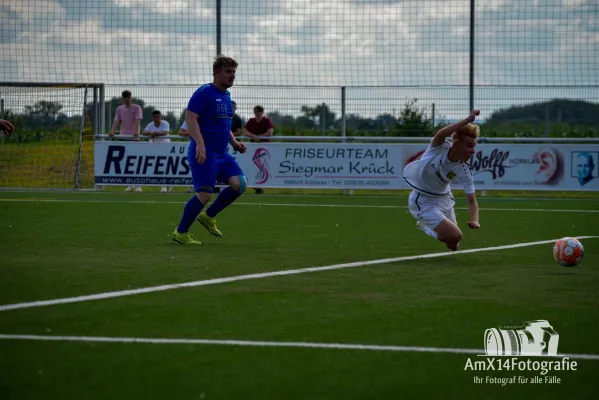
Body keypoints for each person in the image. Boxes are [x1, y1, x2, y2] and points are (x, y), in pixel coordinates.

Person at [172, 55, 248, 245]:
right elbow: (190, 118)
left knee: (240, 184)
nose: (232, 76)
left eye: (233, 72)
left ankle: (208, 216)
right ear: (216, 73)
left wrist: (235, 143)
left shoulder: (226, 96)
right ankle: (180, 232)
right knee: (205, 194)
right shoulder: (205, 92)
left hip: (222, 154)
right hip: (205, 152)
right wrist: (200, 144)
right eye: (227, 72)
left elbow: (224, 125)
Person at [403, 110, 481, 251]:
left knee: (453, 245)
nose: (473, 151)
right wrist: (467, 119)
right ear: (456, 143)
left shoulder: (464, 170)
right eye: (469, 145)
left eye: (474, 146)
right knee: (456, 235)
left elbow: (471, 200)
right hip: (423, 201)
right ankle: (424, 227)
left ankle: (430, 227)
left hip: (444, 199)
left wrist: (475, 220)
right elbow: (441, 133)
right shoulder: (438, 148)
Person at [109, 90, 144, 192]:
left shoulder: (137, 108)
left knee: (135, 161)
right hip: (123, 137)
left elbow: (137, 120)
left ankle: (138, 185)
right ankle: (129, 184)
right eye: (125, 97)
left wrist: (137, 132)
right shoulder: (120, 109)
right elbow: (116, 121)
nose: (127, 99)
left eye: (128, 97)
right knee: (125, 162)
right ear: (123, 98)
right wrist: (112, 131)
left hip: (133, 138)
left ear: (131, 97)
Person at [143, 110, 173, 192]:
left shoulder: (165, 123)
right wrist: (152, 133)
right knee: (158, 168)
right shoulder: (150, 125)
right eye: (155, 117)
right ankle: (163, 187)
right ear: (152, 117)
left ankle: (169, 184)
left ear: (161, 117)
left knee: (167, 167)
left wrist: (154, 133)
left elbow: (165, 132)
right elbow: (144, 132)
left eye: (158, 117)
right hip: (155, 149)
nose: (157, 119)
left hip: (166, 148)